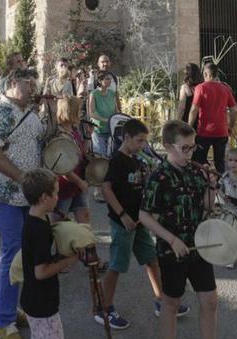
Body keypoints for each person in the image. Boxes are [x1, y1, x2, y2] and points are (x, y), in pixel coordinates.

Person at [0, 67, 46, 338]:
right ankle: (5, 321)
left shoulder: (31, 114)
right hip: (2, 193)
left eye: (34, 83)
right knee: (14, 251)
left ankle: (9, 305)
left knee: (23, 251)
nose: (33, 87)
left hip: (27, 195)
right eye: (28, 83)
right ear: (12, 82)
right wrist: (23, 178)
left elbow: (42, 142)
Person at [100, 118, 185, 329]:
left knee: (151, 259)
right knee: (117, 266)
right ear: (126, 137)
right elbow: (106, 189)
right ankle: (104, 308)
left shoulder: (137, 158)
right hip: (123, 224)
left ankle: (161, 300)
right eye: (139, 141)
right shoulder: (117, 160)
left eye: (144, 141)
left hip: (139, 221)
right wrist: (122, 215)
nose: (142, 145)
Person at [139, 121, 218, 339]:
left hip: (199, 245)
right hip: (172, 250)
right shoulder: (159, 177)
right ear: (167, 146)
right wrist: (172, 240)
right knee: (171, 303)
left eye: (193, 146)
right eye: (185, 148)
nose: (191, 152)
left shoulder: (195, 171)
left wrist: (211, 186)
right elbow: (144, 215)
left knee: (210, 301)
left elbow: (207, 206)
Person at [19, 168, 80, 339]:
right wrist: (69, 260)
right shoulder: (39, 230)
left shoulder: (37, 218)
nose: (58, 197)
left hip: (33, 299)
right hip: (42, 304)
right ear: (44, 198)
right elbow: (41, 272)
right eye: (56, 193)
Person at [187, 62, 237, 175]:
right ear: (215, 74)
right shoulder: (225, 89)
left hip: (204, 132)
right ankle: (219, 188)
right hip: (222, 131)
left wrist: (189, 128)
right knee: (220, 162)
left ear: (206, 74)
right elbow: (234, 109)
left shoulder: (200, 88)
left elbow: (194, 109)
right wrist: (231, 126)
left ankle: (202, 186)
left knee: (198, 161)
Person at [52, 96, 90, 224]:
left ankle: (84, 244)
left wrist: (88, 136)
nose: (81, 113)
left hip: (76, 182)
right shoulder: (59, 134)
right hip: (65, 185)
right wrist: (80, 182)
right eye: (78, 110)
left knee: (84, 216)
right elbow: (62, 167)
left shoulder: (73, 130)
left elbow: (82, 154)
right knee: (59, 222)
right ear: (70, 111)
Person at [88, 71, 118, 158]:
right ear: (100, 81)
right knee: (101, 157)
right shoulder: (94, 94)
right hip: (98, 130)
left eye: (110, 79)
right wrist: (105, 120)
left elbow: (116, 110)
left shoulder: (112, 93)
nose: (109, 81)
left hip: (111, 130)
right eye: (107, 79)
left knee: (111, 156)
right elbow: (92, 113)